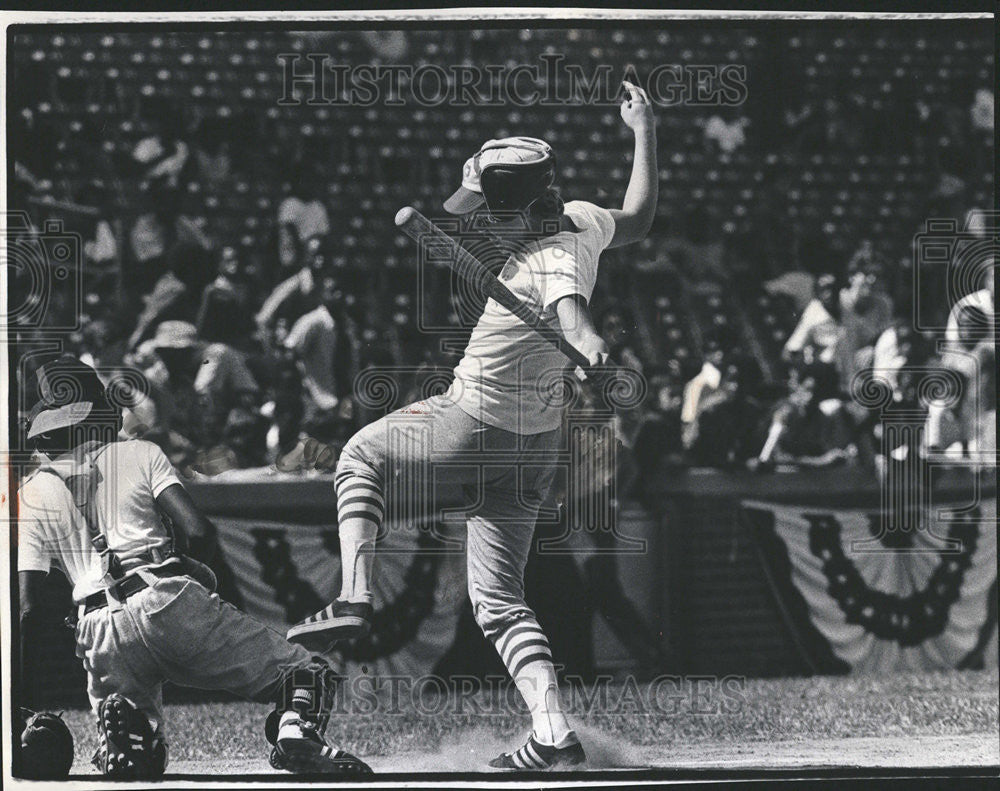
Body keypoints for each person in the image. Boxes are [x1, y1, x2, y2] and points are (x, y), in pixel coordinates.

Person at [288, 81, 658, 770]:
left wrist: (597, 351)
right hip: (533, 450)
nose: (478, 222)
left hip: (471, 423)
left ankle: (357, 590)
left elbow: (574, 316)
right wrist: (644, 129)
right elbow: (636, 217)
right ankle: (552, 731)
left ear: (506, 205)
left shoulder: (548, 260)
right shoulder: (579, 222)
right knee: (498, 600)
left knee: (358, 458)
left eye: (484, 209)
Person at [17, 357, 370, 777]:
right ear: (99, 415)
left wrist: (16, 698)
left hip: (95, 627)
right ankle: (295, 731)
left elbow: (27, 608)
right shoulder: (138, 452)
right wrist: (195, 570)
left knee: (143, 754)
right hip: (164, 596)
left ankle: (129, 735)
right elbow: (198, 530)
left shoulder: (32, 492)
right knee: (304, 674)